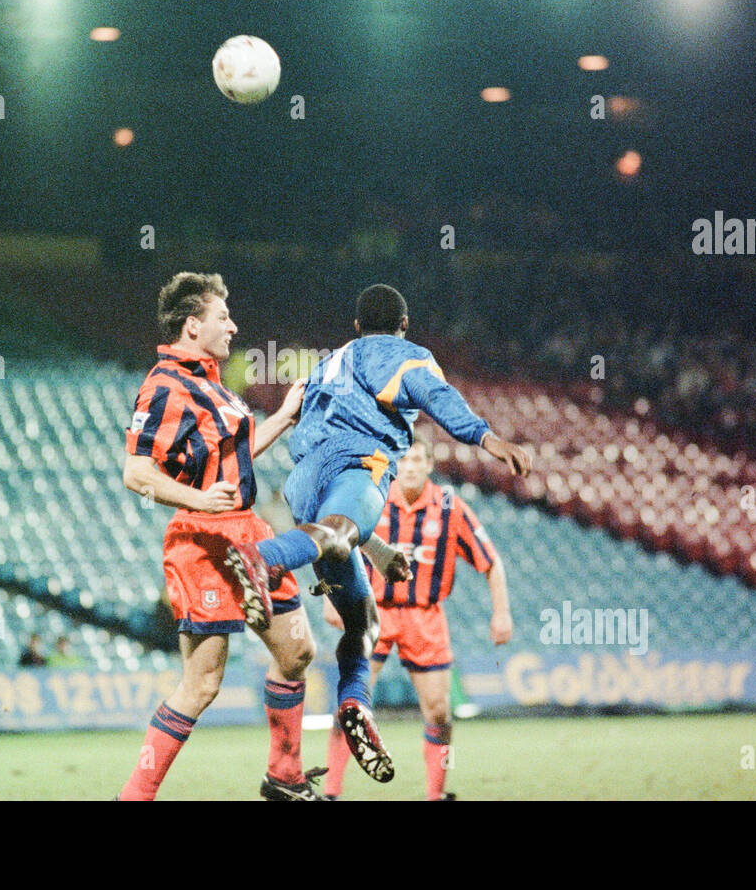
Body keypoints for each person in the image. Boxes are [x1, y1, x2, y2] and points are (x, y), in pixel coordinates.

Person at [226, 283, 532, 784]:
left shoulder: (330, 364)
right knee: (340, 533)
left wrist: (380, 549)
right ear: (404, 325)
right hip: (357, 461)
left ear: (354, 326)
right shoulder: (398, 353)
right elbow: (435, 394)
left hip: (304, 484)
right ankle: (262, 559)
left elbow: (338, 513)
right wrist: (487, 437)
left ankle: (354, 704)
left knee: (364, 619)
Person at [117, 271, 320, 800]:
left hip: (250, 535)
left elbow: (241, 456)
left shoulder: (214, 385)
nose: (233, 325)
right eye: (222, 317)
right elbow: (135, 472)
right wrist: (198, 500)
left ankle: (283, 776)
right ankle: (134, 796)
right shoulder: (164, 385)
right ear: (192, 325)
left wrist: (285, 415)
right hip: (202, 540)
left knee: (297, 653)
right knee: (203, 683)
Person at [320, 439, 512, 800]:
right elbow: (337, 543)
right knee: (350, 708)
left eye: (417, 460)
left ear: (429, 465)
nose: (409, 467)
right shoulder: (372, 498)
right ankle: (331, 792)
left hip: (425, 617)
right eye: (403, 460)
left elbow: (491, 561)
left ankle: (436, 794)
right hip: (370, 612)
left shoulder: (450, 508)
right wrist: (333, 595)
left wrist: (501, 612)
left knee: (440, 712)